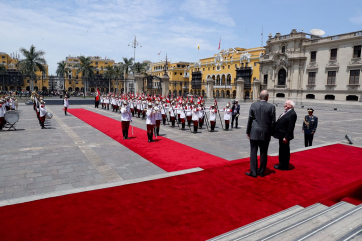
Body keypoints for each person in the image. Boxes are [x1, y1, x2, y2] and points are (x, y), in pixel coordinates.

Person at [245, 90, 276, 178]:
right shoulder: (272, 107)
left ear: (259, 97)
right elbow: (273, 122)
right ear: (268, 97)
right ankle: (262, 172)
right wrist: (271, 132)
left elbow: (250, 119)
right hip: (265, 132)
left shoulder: (254, 105)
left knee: (253, 152)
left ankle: (253, 172)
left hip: (254, 131)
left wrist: (248, 131)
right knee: (264, 152)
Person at [273, 100, 297, 170]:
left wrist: (286, 137)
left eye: (287, 104)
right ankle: (281, 163)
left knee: (284, 151)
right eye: (285, 103)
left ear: (291, 105)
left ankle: (284, 165)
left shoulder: (292, 114)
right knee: (282, 150)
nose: (285, 105)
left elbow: (291, 127)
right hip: (281, 135)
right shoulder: (286, 112)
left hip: (285, 136)